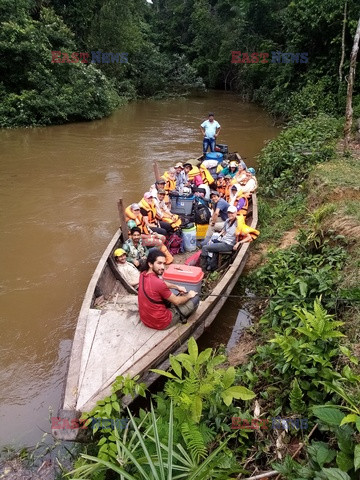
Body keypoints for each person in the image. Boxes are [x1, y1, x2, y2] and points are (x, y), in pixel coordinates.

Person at [138, 249, 199, 330]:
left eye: (164, 263)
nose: (163, 267)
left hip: (146, 319)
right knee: (195, 298)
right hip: (162, 322)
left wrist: (176, 287)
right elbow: (177, 301)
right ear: (150, 264)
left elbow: (160, 283)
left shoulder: (143, 274)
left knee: (174, 295)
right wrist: (189, 295)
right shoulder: (158, 283)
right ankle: (182, 319)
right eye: (159, 263)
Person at [200, 206, 239, 271]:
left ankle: (203, 269)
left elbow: (247, 235)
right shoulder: (227, 221)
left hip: (228, 244)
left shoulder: (238, 223)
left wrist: (238, 243)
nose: (230, 214)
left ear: (236, 213)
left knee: (205, 248)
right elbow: (223, 231)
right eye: (229, 213)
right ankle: (212, 265)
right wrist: (218, 236)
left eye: (232, 213)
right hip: (223, 240)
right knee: (210, 242)